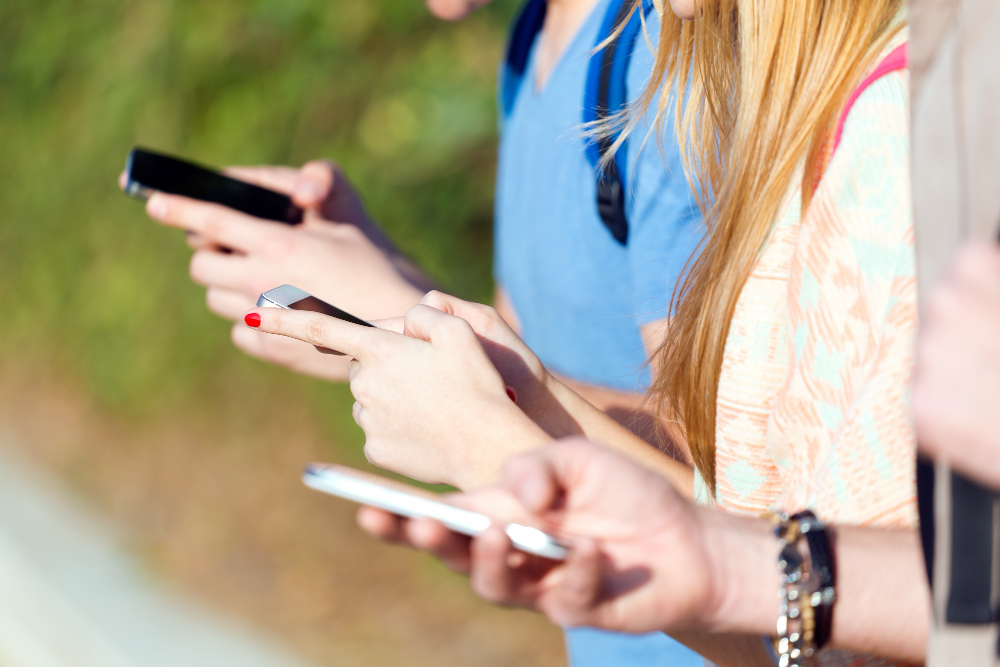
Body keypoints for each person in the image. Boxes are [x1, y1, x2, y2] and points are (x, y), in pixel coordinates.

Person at [243, 0, 916, 662]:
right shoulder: (541, 45)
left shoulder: (670, 51)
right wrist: (417, 348)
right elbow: (771, 563)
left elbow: (727, 489)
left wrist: (481, 430)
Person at [133, 0, 705, 664]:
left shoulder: (667, 47)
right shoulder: (529, 45)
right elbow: (532, 351)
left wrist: (392, 308)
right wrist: (374, 314)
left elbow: (741, 483)